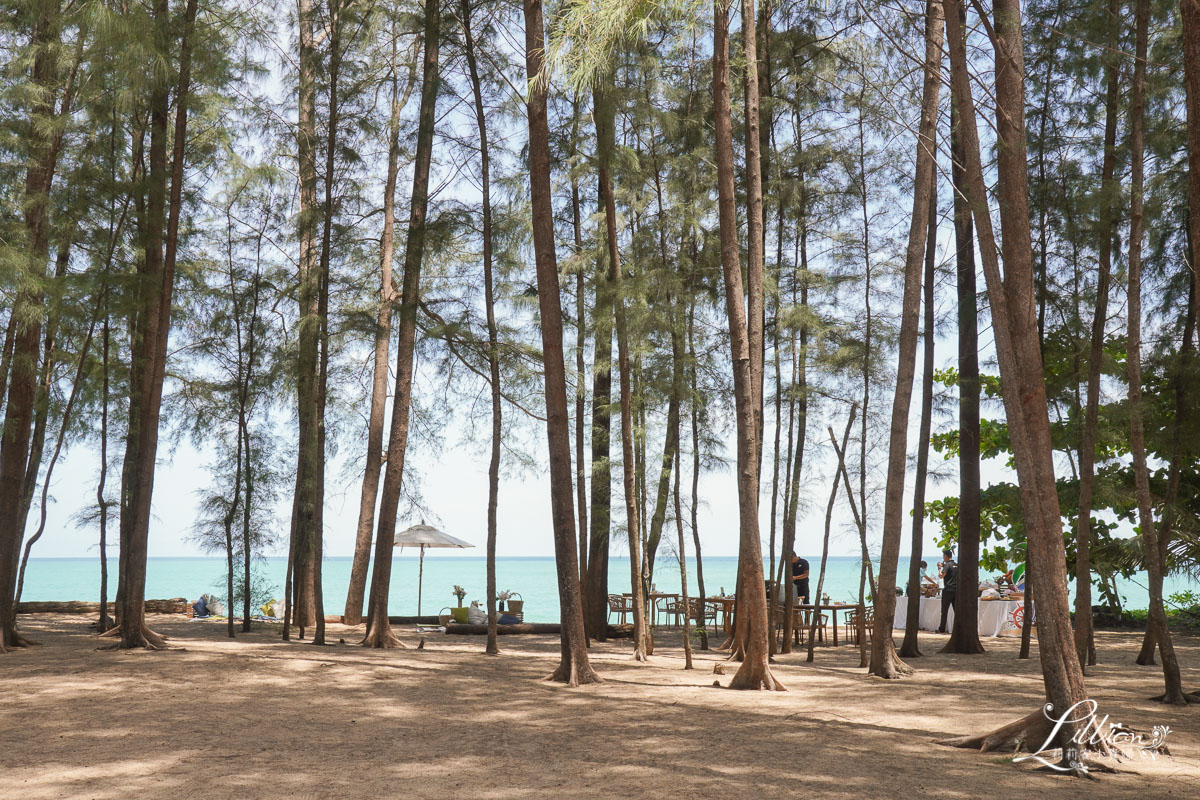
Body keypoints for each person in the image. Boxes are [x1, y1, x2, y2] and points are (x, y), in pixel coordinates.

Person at [937, 548, 957, 633]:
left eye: (943, 556)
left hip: (948, 589)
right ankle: (958, 629)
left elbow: (941, 576)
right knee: (956, 610)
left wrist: (939, 568)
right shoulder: (957, 565)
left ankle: (942, 628)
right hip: (956, 590)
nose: (943, 558)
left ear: (945, 556)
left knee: (944, 610)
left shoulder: (947, 565)